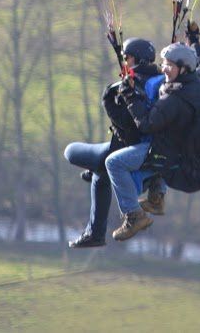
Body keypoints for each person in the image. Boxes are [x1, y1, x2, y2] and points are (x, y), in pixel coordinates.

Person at [109, 22, 200, 241]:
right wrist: (194, 41)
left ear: (183, 68)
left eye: (169, 65)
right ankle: (157, 198)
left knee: (114, 163)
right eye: (164, 64)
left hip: (167, 151)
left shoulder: (174, 98)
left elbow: (146, 124)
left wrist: (129, 95)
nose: (163, 69)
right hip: (186, 149)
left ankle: (134, 215)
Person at [63, 38, 164, 248]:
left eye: (126, 57)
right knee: (100, 176)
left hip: (129, 150)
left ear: (135, 59)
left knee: (71, 151)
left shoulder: (133, 87)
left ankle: (98, 232)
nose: (124, 60)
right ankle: (95, 234)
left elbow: (128, 127)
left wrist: (109, 99)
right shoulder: (159, 82)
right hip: (148, 153)